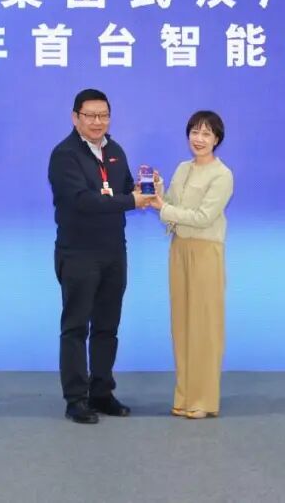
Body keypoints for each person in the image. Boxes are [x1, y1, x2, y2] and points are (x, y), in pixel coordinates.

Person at [48, 88, 152, 424]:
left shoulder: (115, 150)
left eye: (103, 115)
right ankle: (76, 399)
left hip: (113, 252)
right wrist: (131, 201)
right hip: (78, 253)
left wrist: (144, 189)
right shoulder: (64, 155)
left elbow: (124, 189)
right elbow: (83, 201)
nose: (97, 122)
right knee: (76, 327)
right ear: (75, 117)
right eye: (90, 115)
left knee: (107, 327)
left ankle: (102, 392)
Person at [149, 111, 234, 419]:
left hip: (205, 251)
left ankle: (204, 400)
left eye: (206, 134)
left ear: (217, 139)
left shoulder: (222, 175)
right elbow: (172, 206)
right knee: (182, 324)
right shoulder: (183, 168)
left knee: (205, 327)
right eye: (195, 132)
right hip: (179, 249)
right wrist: (157, 191)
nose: (199, 139)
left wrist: (164, 209)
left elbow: (203, 217)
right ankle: (184, 396)